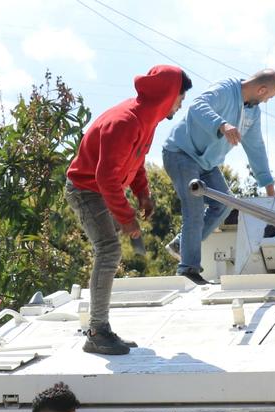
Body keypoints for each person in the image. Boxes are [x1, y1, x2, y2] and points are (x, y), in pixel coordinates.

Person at [66, 65, 192, 356]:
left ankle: (101, 330)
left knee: (111, 251)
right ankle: (97, 332)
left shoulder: (146, 120)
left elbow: (134, 162)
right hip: (85, 189)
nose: (180, 104)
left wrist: (143, 194)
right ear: (167, 95)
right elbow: (105, 178)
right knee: (109, 250)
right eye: (180, 98)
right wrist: (127, 218)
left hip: (100, 189)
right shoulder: (125, 121)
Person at [163, 70, 275, 284]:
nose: (266, 101)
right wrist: (222, 124)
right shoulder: (226, 88)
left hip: (207, 163)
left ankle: (181, 245)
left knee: (225, 204)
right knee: (195, 208)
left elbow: (256, 148)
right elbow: (197, 106)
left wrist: (269, 188)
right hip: (181, 154)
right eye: (268, 97)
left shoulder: (253, 113)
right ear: (262, 90)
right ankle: (188, 269)